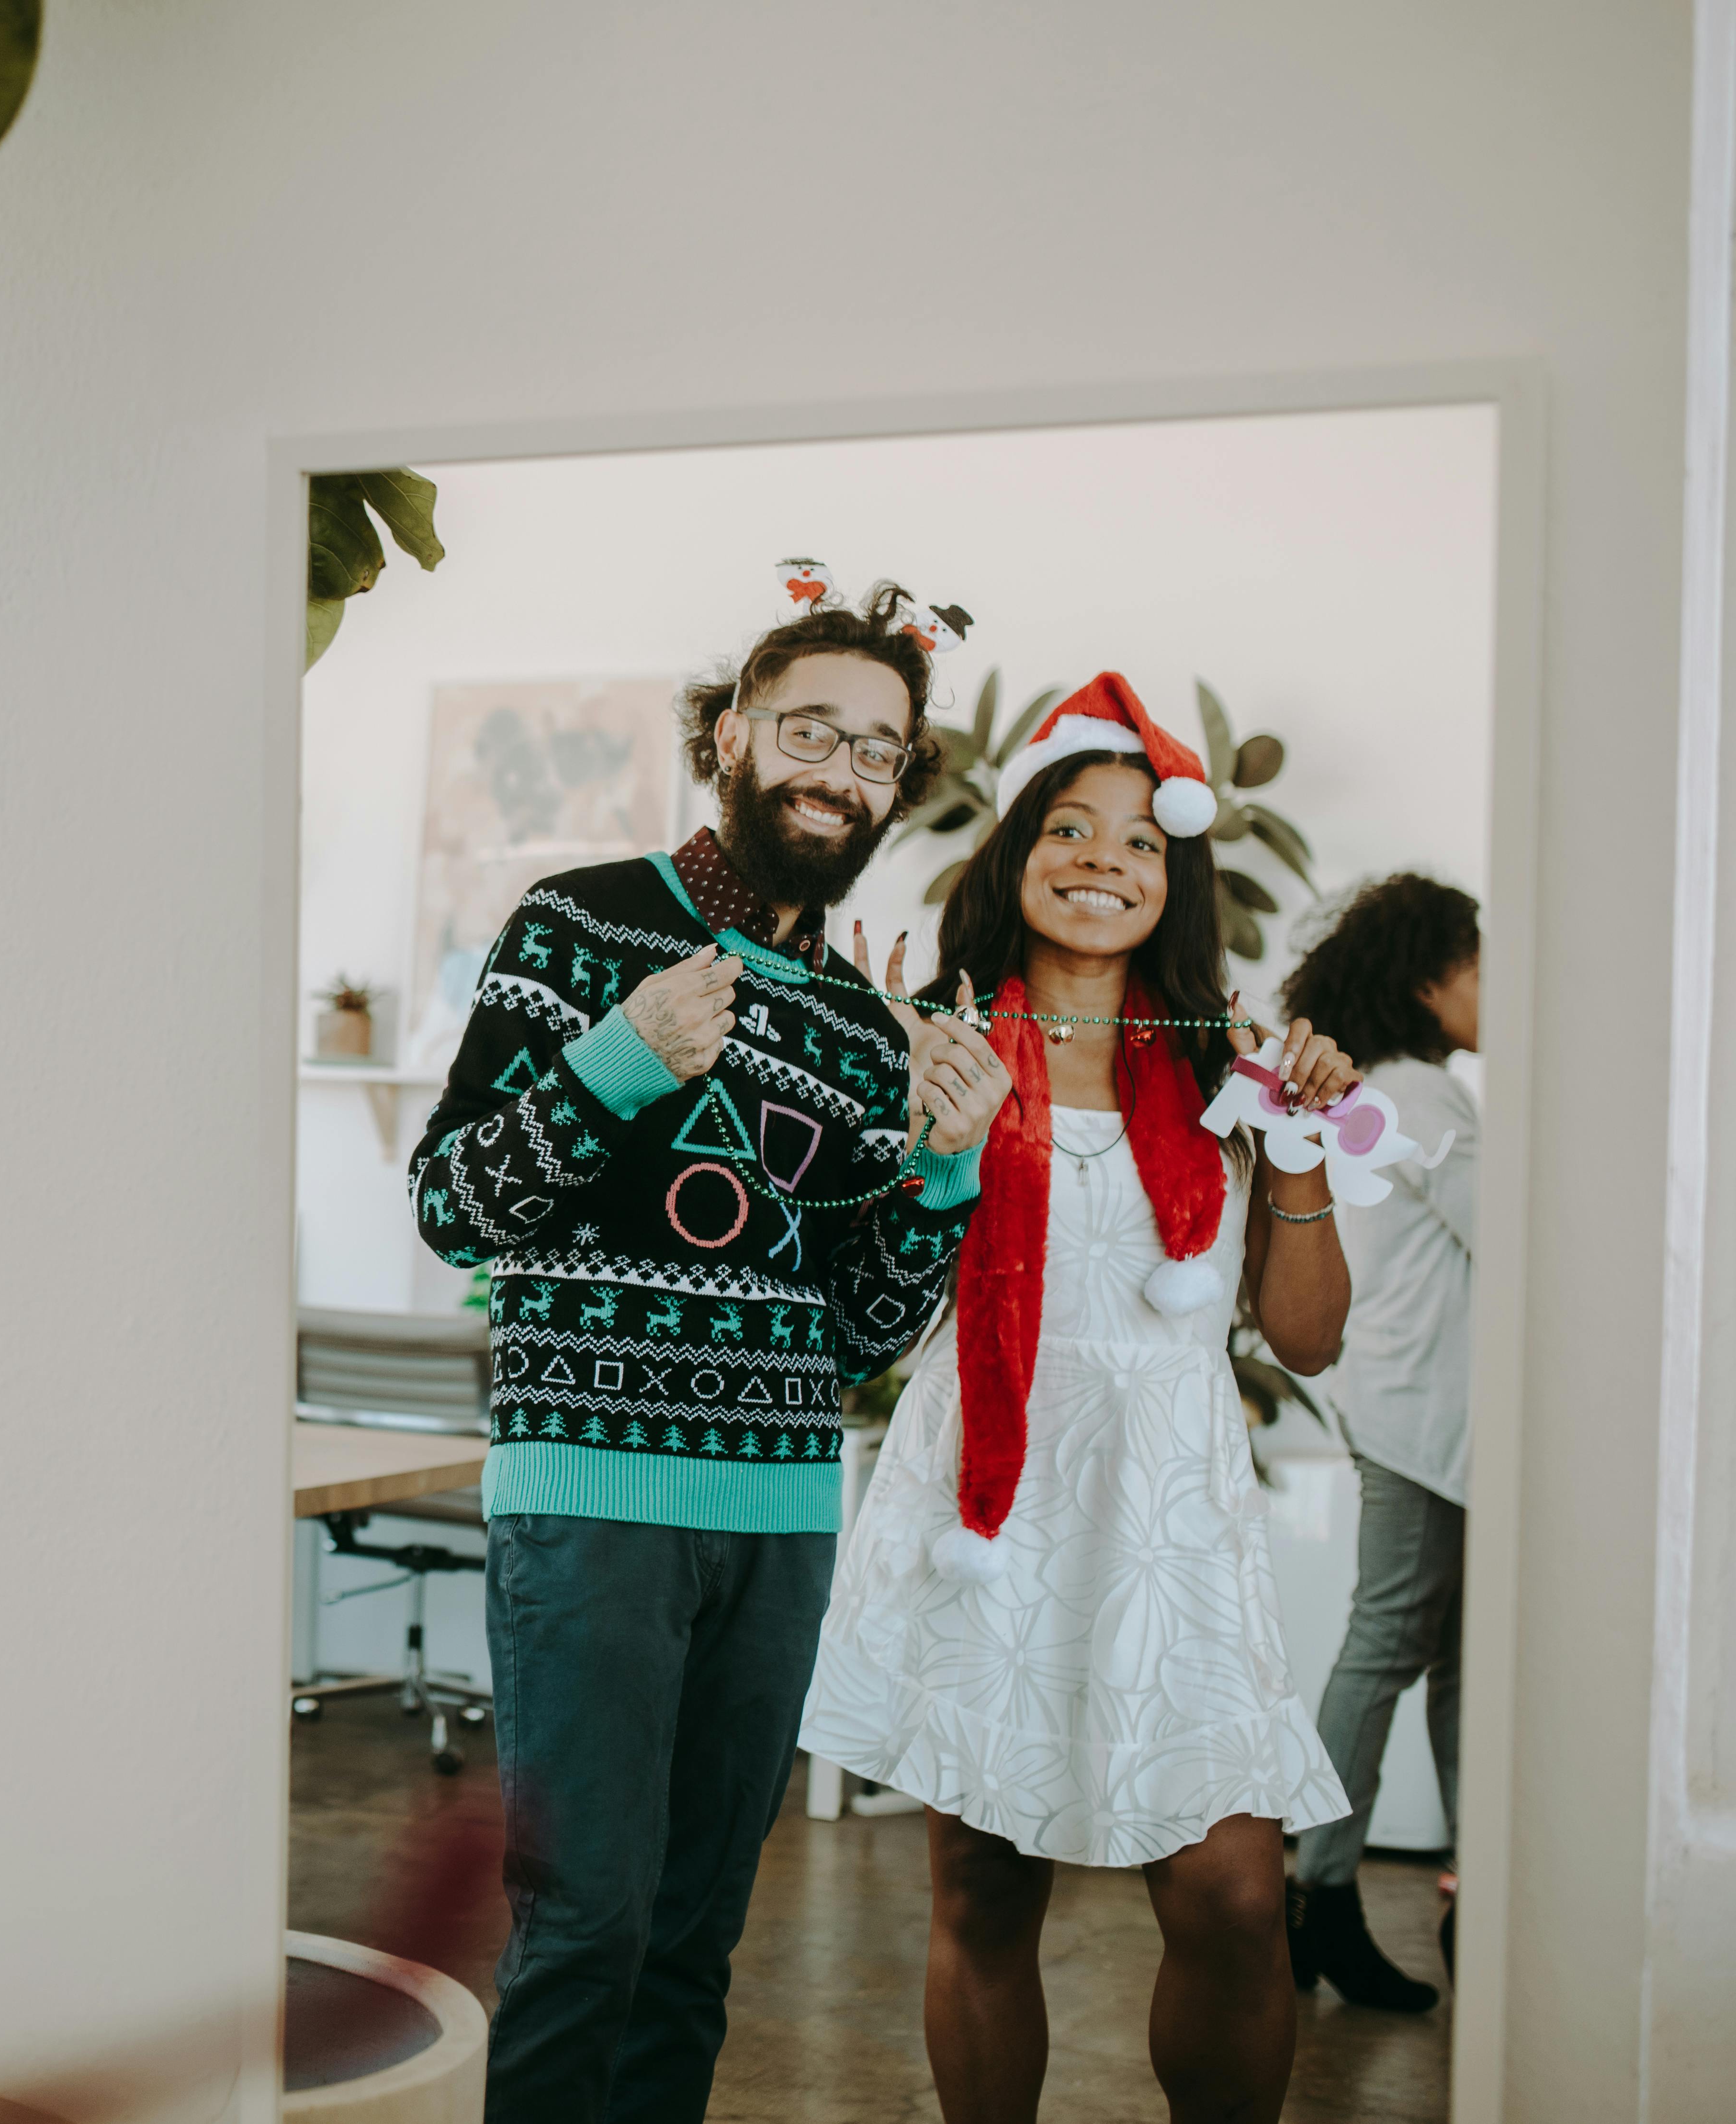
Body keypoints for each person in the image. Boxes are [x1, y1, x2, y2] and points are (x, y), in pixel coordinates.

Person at [410, 576, 1012, 2123]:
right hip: (590, 1499)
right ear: (733, 733)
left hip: (776, 1513)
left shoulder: (865, 1016)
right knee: (584, 1926)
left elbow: (859, 1333)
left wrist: (943, 1165)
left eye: (875, 750)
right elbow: (451, 1205)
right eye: (810, 726)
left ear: (896, 785)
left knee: (688, 1942)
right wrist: (614, 1060)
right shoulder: (578, 918)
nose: (837, 767)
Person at [798, 673, 1361, 2124]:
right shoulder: (928, 1039)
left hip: (1166, 1511)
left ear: (1175, 882)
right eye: (1069, 825)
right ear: (1016, 851)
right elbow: (863, 1312)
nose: (1102, 858)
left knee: (1235, 1887)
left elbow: (1307, 1338)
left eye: (1138, 840)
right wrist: (927, 1142)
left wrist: (1298, 1163)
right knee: (984, 1883)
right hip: (982, 1490)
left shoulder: (1233, 1073)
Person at [1276, 873, 1481, 2010]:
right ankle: (1319, 1892)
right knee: (1392, 1643)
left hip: (1419, 1414)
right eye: (1479, 964)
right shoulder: (1423, 1097)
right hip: (1423, 1424)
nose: (1497, 987)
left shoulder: (1417, 1091)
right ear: (1424, 980)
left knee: (1441, 1654)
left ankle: (1454, 1891)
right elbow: (1516, 1240)